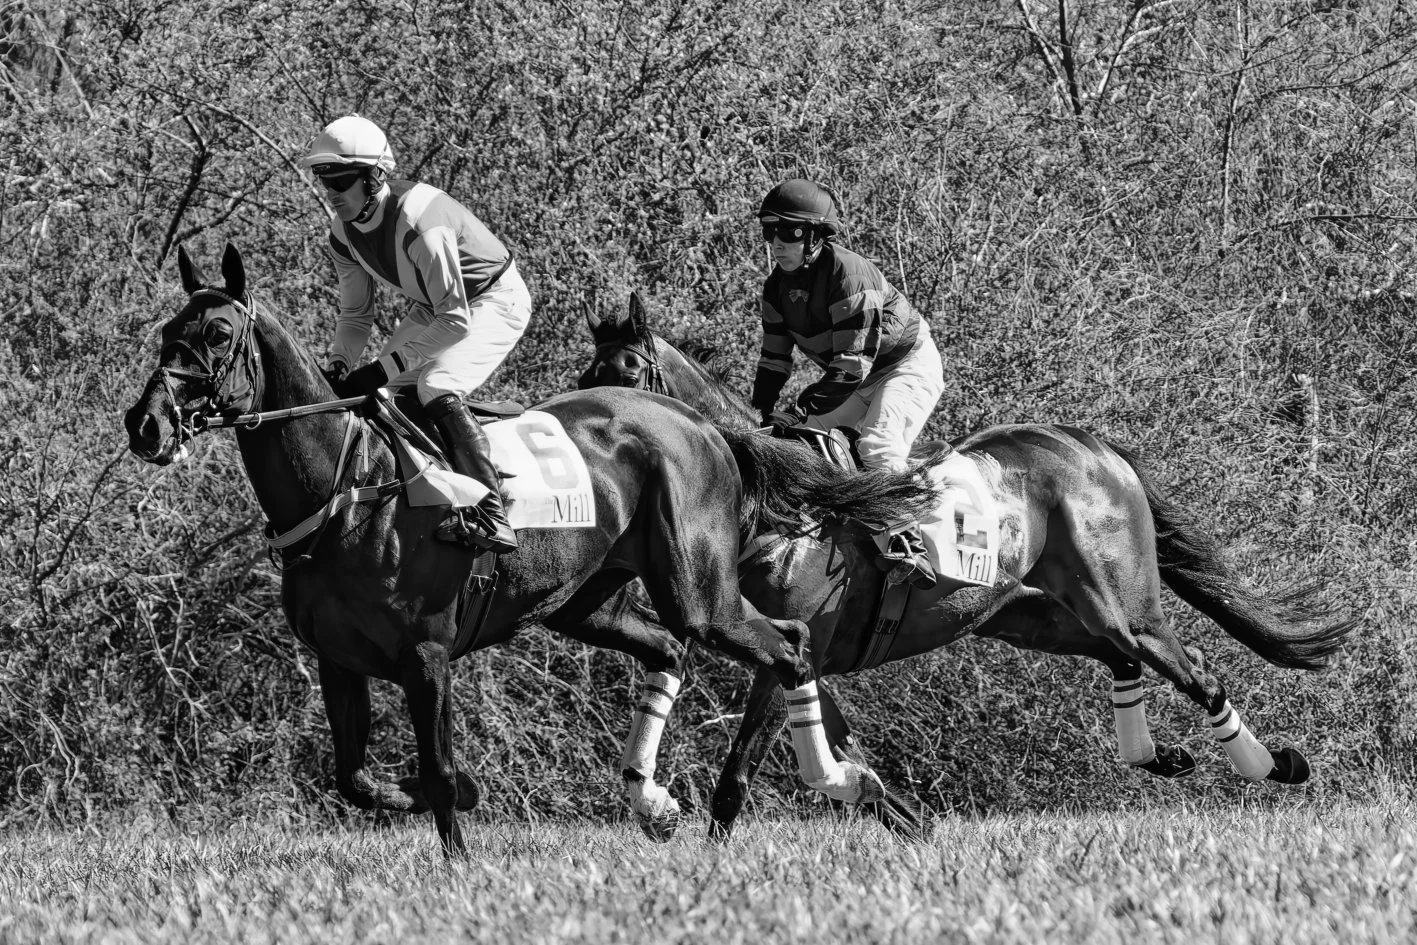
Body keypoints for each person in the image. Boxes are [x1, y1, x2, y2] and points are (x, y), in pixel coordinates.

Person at [301, 115, 530, 554]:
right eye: (324, 181)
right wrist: (340, 362)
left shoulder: (420, 223)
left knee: (436, 384)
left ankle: (492, 514)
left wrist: (385, 365)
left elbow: (457, 320)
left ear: (374, 178)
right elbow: (355, 315)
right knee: (378, 398)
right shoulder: (341, 235)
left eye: (341, 181)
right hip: (435, 308)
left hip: (494, 300)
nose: (332, 194)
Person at [751, 178, 946, 589]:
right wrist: (762, 415)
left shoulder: (848, 272)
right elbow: (773, 362)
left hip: (903, 365)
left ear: (817, 236)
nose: (777, 242)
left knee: (878, 443)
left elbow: (852, 364)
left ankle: (908, 543)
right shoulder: (776, 287)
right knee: (796, 447)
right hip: (854, 377)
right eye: (771, 231)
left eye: (790, 231)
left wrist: (801, 408)